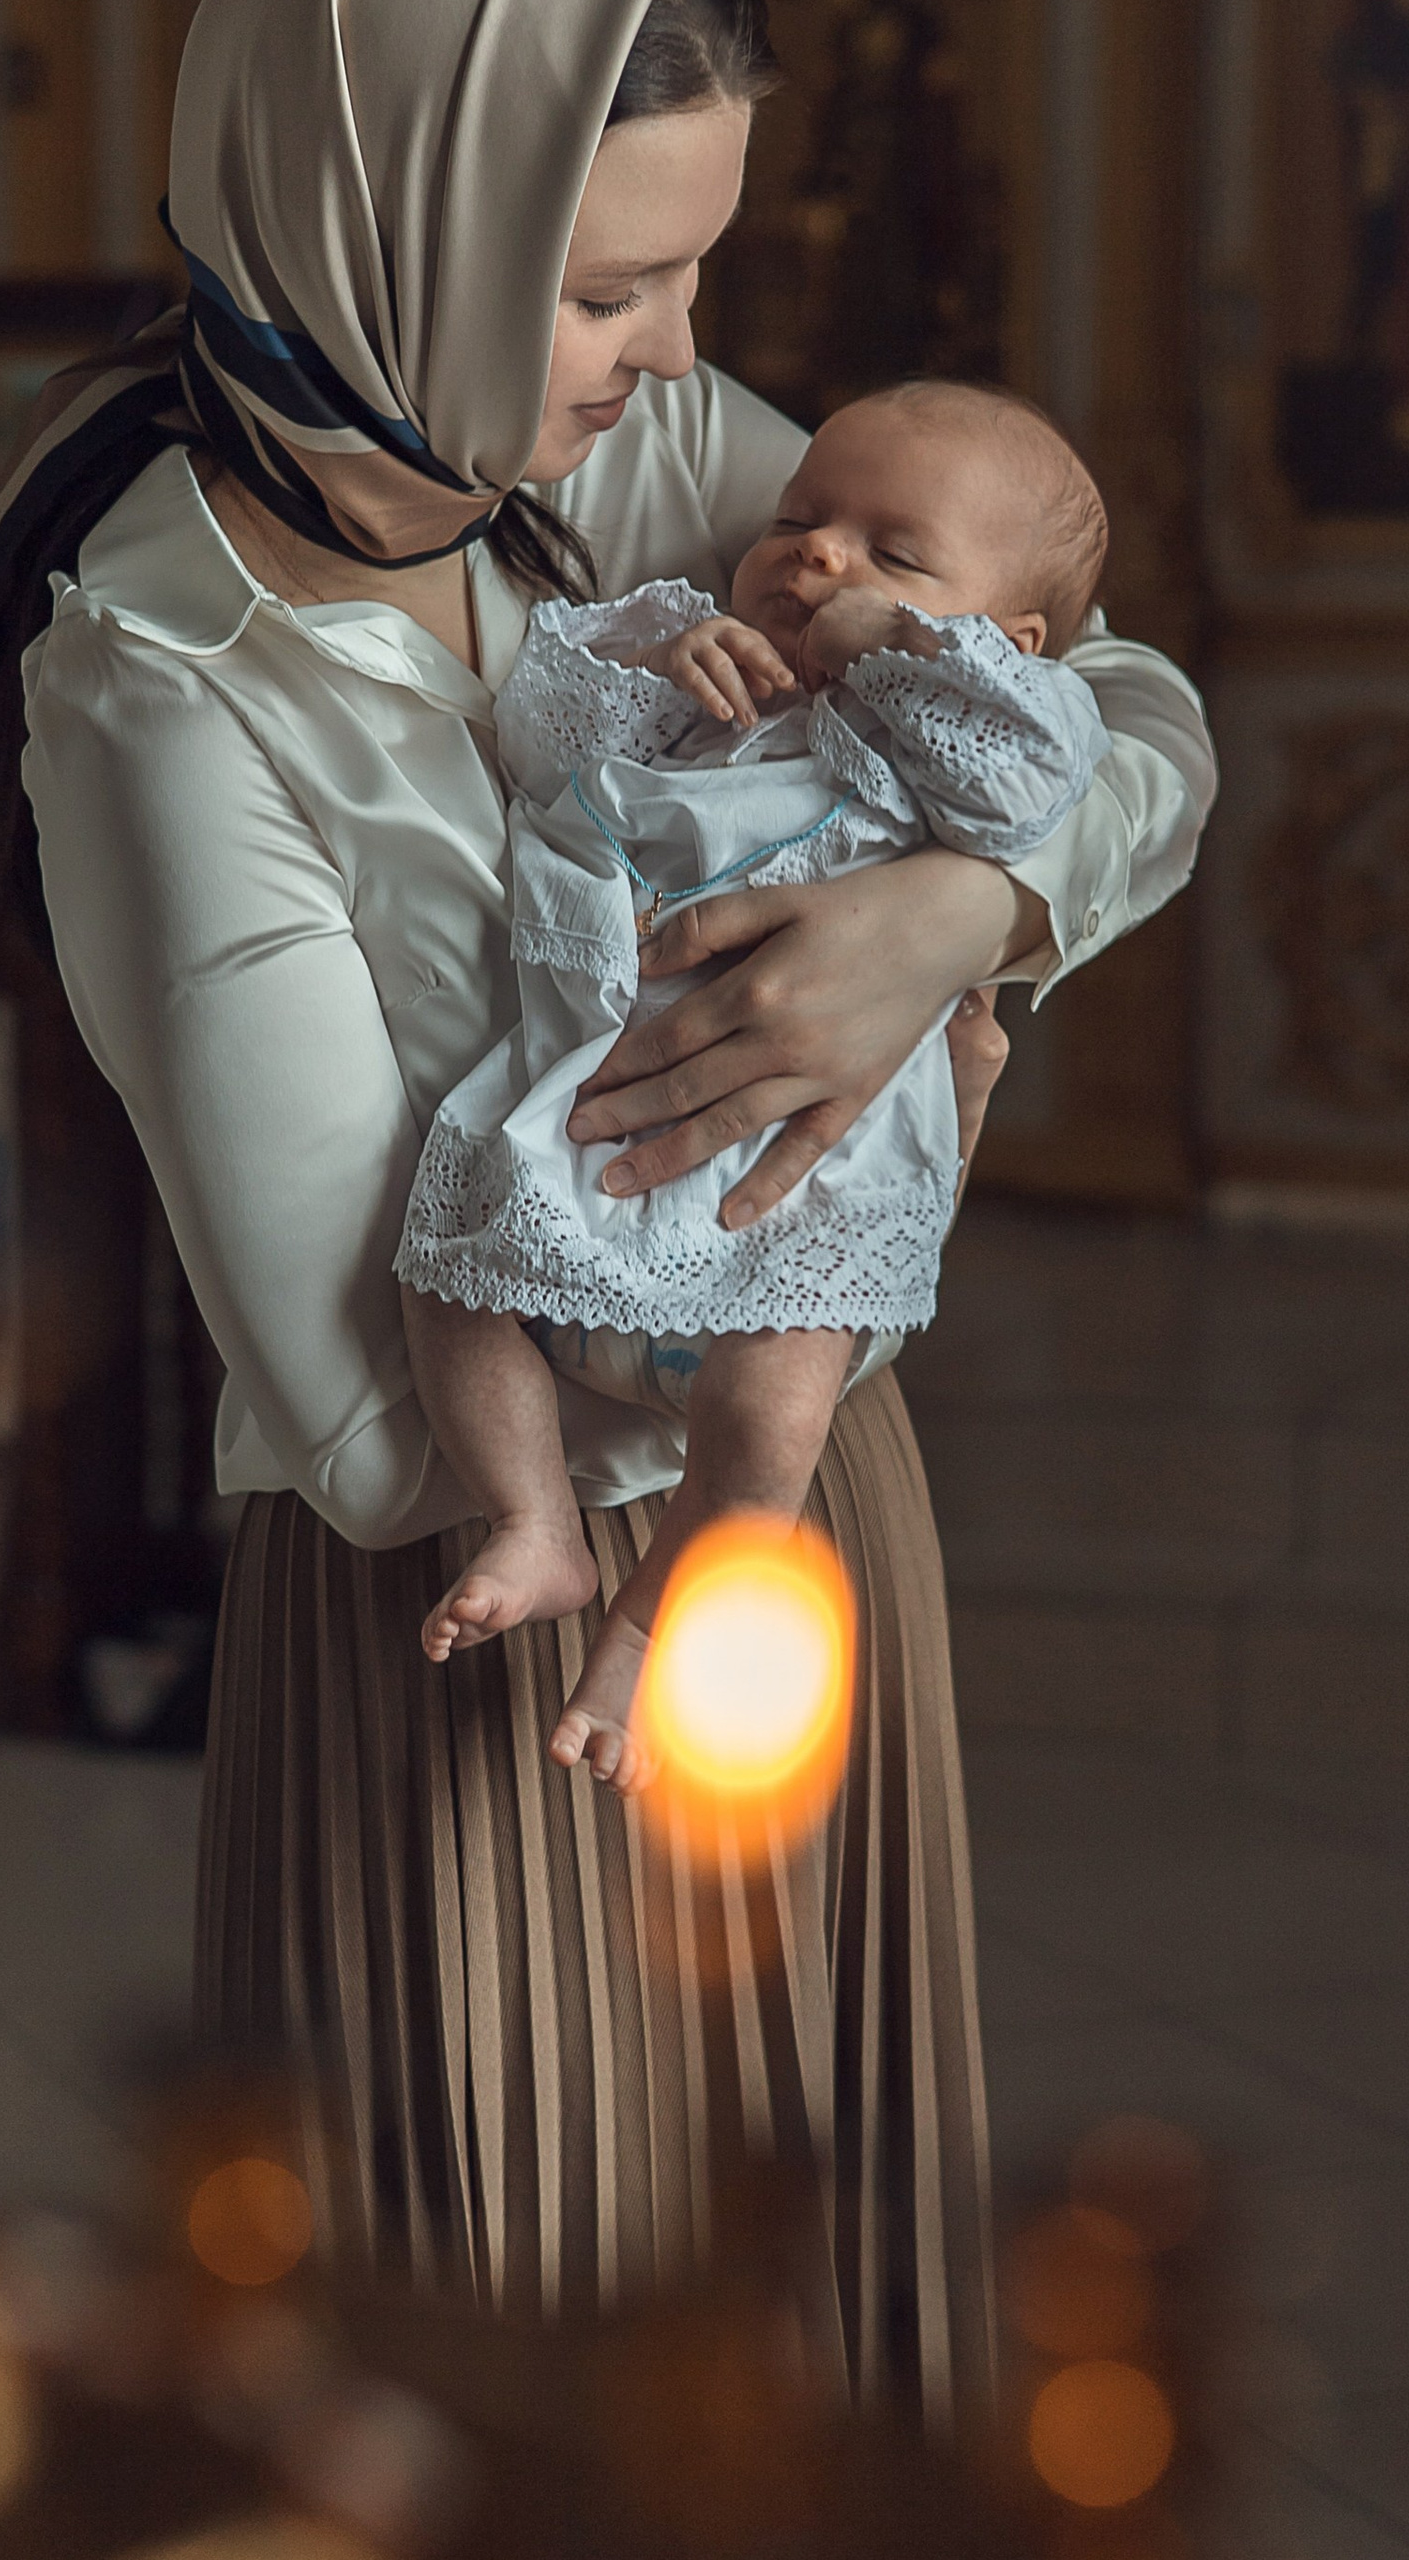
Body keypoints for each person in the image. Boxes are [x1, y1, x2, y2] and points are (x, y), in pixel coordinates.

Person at [0, 0, 1216, 2432]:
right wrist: (821, 1214)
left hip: (793, 1518)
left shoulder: (630, 456)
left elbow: (1122, 707)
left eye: (692, 277)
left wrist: (958, 918)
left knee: (809, 2342)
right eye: (605, 289)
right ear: (384, 236)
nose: (670, 359)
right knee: (510, 2364)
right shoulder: (160, 680)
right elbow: (359, 1410)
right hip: (481, 1630)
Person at [397, 383, 1123, 1785]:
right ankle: (533, 1519)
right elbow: (540, 741)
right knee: (447, 1272)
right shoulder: (707, 692)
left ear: (1011, 643)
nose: (820, 556)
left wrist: (898, 650)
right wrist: (657, 659)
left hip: (804, 1179)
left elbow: (1036, 784)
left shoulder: (972, 735)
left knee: (774, 1425)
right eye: (798, 521)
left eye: (893, 554)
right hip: (592, 1108)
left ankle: (647, 1629)